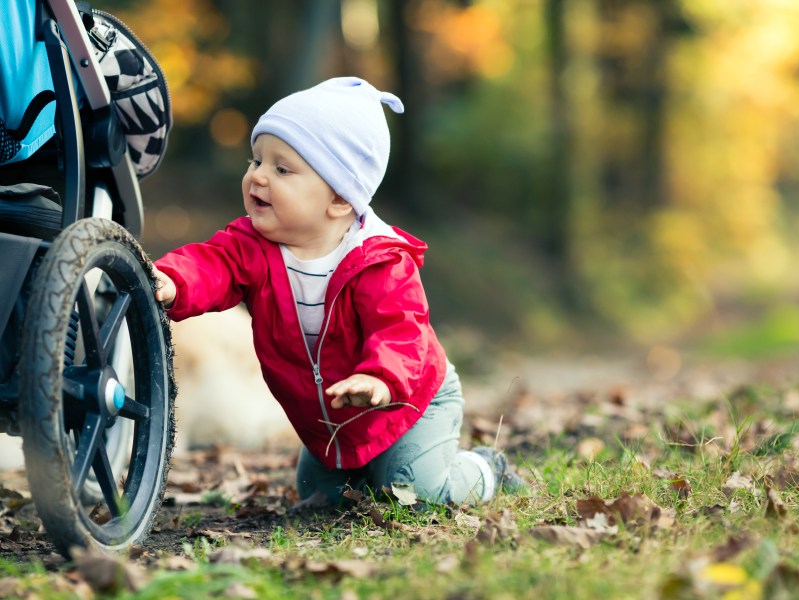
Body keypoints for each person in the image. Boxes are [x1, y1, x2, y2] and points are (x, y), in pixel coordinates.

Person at [152, 76, 524, 506]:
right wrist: (173, 280)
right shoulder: (253, 247)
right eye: (255, 161)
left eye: (282, 169)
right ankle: (367, 468)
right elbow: (211, 264)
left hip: (406, 400)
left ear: (340, 200)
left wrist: (380, 378)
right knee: (322, 499)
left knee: (416, 490)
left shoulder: (378, 261)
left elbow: (402, 332)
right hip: (334, 417)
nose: (258, 177)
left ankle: (483, 468)